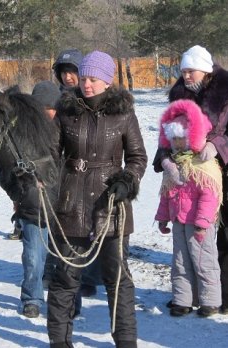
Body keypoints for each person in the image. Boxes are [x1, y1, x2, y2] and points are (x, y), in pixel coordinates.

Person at [47, 51, 147, 348]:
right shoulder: (66, 110)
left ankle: (126, 342)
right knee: (65, 278)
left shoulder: (124, 113)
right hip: (71, 204)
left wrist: (125, 182)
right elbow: (51, 154)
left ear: (107, 81)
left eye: (93, 79)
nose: (86, 84)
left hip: (112, 207)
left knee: (118, 281)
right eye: (84, 78)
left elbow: (138, 158)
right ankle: (59, 342)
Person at [153, 45, 228, 314]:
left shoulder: (225, 92)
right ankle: (189, 297)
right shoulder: (179, 94)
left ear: (206, 71)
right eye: (183, 71)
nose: (185, 76)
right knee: (186, 248)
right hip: (186, 171)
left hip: (218, 169)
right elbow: (169, 131)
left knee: (217, 240)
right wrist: (164, 158)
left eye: (190, 71)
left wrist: (217, 145)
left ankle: (219, 297)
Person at [46, 48, 103, 303]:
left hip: (90, 170)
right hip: (61, 168)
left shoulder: (91, 99)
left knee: (90, 225)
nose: (69, 77)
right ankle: (55, 269)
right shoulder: (56, 98)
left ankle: (90, 277)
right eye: (64, 72)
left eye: (74, 72)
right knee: (61, 222)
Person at [11, 81, 61, 318]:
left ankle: (65, 297)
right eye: (41, 108)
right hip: (34, 203)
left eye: (49, 108)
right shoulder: (23, 135)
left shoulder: (67, 132)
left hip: (62, 204)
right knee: (33, 255)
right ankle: (32, 297)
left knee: (59, 256)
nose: (45, 113)